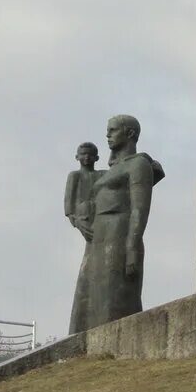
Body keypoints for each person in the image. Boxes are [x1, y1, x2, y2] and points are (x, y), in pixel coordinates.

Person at [69, 115, 164, 333]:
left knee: (111, 298)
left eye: (112, 130)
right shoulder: (112, 169)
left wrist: (131, 248)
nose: (107, 135)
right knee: (89, 297)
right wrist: (78, 220)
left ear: (130, 133)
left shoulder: (138, 164)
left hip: (118, 234)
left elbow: (140, 209)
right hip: (98, 238)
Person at [64, 142, 102, 334]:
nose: (86, 157)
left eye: (90, 154)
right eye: (83, 154)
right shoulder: (75, 176)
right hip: (84, 218)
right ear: (77, 157)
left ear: (97, 158)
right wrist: (78, 222)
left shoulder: (101, 175)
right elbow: (69, 207)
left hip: (100, 217)